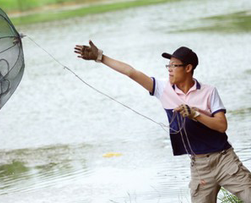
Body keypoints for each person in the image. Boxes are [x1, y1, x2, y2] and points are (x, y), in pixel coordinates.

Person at [74, 41, 251, 203]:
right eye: (168, 65)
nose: (169, 69)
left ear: (188, 68)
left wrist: (195, 114)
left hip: (224, 160)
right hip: (200, 167)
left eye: (174, 65)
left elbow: (221, 125)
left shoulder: (209, 92)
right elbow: (131, 72)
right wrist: (100, 57)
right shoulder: (163, 88)